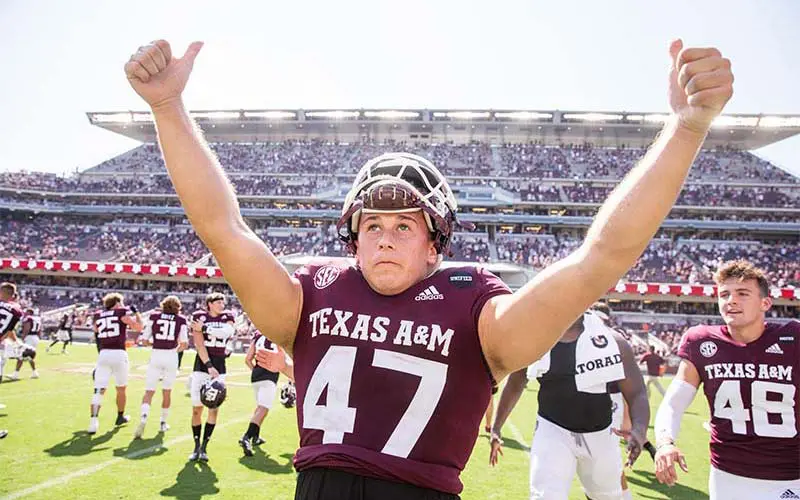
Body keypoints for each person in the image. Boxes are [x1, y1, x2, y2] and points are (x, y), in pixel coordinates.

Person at [125, 37, 734, 498]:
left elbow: (598, 260)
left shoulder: (476, 309)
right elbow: (221, 228)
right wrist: (168, 108)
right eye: (372, 227)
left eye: (404, 227)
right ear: (352, 238)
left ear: (435, 244)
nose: (384, 241)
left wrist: (685, 129)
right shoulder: (311, 295)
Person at [654, 260, 799, 499]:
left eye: (742, 293)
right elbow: (673, 403)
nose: (731, 300)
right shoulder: (701, 342)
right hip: (727, 476)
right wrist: (665, 442)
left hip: (790, 475)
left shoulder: (793, 338)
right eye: (724, 294)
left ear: (765, 303)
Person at [489, 310, 649, 499]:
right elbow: (516, 383)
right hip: (553, 429)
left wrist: (639, 430)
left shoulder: (612, 342)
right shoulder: (535, 341)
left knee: (608, 496)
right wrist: (496, 427)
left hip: (600, 434)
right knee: (545, 495)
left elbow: (637, 392)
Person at [188, 292, 236, 462]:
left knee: (213, 407)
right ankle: (195, 446)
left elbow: (227, 332)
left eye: (223, 302)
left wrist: (206, 328)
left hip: (220, 367)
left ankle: (204, 447)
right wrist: (209, 366)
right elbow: (199, 343)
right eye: (218, 302)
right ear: (209, 303)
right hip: (202, 367)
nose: (222, 305)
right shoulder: (198, 316)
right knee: (196, 408)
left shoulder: (228, 316)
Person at [134, 295, 189, 439]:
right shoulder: (181, 320)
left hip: (156, 355)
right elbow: (184, 343)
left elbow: (144, 340)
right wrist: (172, 350)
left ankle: (144, 418)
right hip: (171, 356)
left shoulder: (154, 317)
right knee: (167, 391)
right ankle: (163, 422)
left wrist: (156, 344)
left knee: (149, 391)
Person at [88, 293, 143, 435]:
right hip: (119, 353)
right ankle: (120, 416)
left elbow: (95, 330)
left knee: (99, 389)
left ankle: (93, 421)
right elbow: (138, 327)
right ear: (117, 303)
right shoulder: (121, 312)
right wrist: (137, 313)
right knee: (121, 388)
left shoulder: (99, 314)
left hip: (103, 353)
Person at [239, 325, 294, 457]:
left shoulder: (258, 334)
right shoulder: (280, 333)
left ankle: (255, 437)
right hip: (269, 374)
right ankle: (246, 437)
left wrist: (257, 371)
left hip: (256, 374)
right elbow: (285, 359)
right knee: (264, 408)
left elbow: (247, 359)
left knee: (259, 407)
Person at [10, 308, 41, 380]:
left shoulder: (28, 318)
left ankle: (15, 374)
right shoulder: (37, 319)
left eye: (26, 312)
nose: (25, 313)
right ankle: (35, 372)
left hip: (29, 337)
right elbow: (39, 330)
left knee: (20, 355)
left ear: (29, 312)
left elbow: (27, 328)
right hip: (35, 337)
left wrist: (23, 338)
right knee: (30, 356)